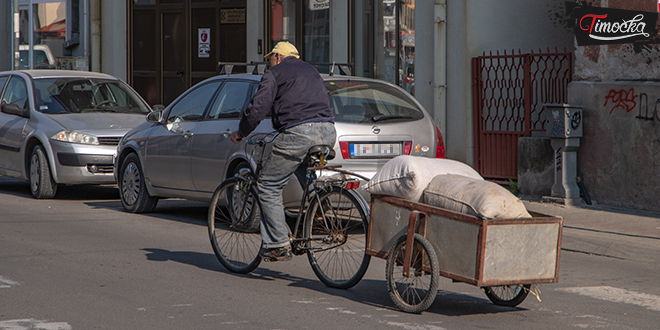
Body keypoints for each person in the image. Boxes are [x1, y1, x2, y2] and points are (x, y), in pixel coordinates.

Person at [229, 41, 336, 262]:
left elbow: (258, 108)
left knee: (267, 185)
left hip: (299, 133)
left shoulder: (275, 73)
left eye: (270, 58)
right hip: (328, 131)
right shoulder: (312, 71)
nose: (270, 62)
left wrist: (241, 132)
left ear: (278, 57)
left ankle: (277, 244)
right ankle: (320, 206)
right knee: (302, 168)